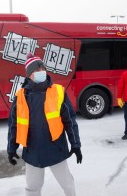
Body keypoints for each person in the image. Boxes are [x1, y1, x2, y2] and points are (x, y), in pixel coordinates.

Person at [7, 53, 82, 196]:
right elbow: (13, 125)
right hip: (32, 151)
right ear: (29, 75)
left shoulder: (58, 91)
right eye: (36, 70)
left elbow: (70, 121)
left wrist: (76, 144)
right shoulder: (21, 96)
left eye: (42, 69)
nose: (41, 72)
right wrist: (11, 149)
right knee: (32, 188)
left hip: (56, 148)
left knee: (67, 183)